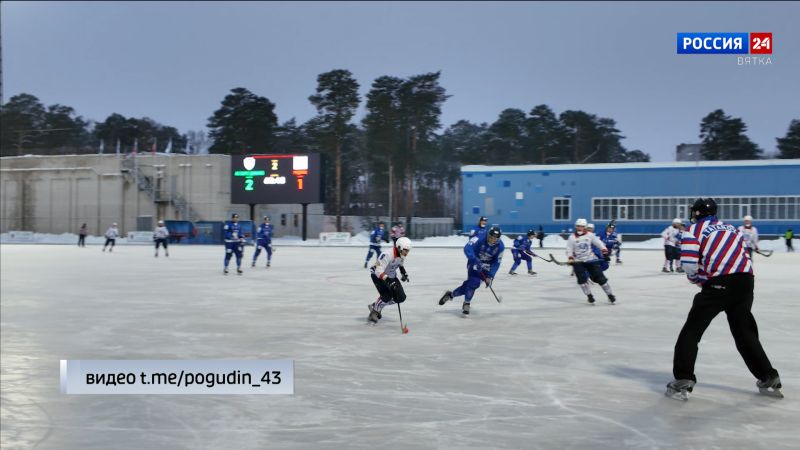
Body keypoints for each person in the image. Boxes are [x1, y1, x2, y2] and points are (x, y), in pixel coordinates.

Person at [666, 198, 782, 401]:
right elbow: (740, 254)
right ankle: (768, 375)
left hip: (720, 282)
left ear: (698, 213)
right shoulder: (731, 228)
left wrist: (697, 279)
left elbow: (689, 263)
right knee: (744, 332)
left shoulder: (693, 231)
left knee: (692, 331)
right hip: (746, 281)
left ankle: (683, 378)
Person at [439, 226, 505, 315]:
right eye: (491, 237)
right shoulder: (479, 238)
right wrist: (474, 259)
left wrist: (490, 276)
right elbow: (467, 248)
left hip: (486, 268)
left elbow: (497, 263)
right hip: (474, 262)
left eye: (495, 238)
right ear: (488, 235)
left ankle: (451, 295)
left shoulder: (501, 247)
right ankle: (466, 303)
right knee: (474, 282)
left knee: (471, 284)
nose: (492, 239)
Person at [566, 218, 615, 304]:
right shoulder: (572, 237)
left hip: (591, 260)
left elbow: (599, 243)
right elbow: (569, 249)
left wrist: (604, 251)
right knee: (582, 280)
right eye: (578, 226)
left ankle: (610, 295)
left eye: (581, 226)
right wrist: (570, 258)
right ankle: (590, 296)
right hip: (578, 261)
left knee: (601, 279)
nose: (579, 228)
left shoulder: (590, 235)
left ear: (584, 227)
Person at [367, 237, 412, 324]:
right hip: (378, 275)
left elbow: (400, 264)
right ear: (399, 247)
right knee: (387, 296)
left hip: (391, 275)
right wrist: (389, 281)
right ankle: (375, 312)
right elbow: (378, 271)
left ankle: (375, 305)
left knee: (401, 297)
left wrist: (403, 273)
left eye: (408, 250)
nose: (407, 253)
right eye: (405, 250)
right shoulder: (387, 254)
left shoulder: (401, 254)